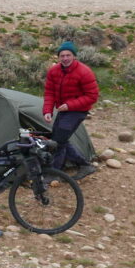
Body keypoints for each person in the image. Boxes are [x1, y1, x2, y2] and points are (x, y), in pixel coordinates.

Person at [42, 40, 99, 179]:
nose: (65, 58)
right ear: (58, 57)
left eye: (68, 55)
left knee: (58, 142)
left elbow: (92, 96)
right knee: (60, 138)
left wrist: (70, 105)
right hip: (63, 110)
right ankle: (85, 165)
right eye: (62, 55)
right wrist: (47, 110)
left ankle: (54, 173)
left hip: (78, 110)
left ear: (74, 56)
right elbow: (49, 92)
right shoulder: (54, 71)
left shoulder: (84, 72)